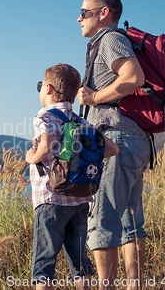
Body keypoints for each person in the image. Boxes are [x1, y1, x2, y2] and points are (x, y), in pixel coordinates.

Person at [76, 0, 151, 290]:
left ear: (103, 13)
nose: (78, 17)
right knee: (130, 224)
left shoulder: (110, 39)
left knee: (102, 222)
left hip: (115, 140)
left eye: (84, 11)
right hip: (132, 140)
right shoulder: (112, 41)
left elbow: (134, 77)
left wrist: (94, 96)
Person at [26, 63, 119, 290]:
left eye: (40, 85)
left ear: (47, 89)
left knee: (44, 265)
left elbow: (46, 144)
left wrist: (32, 157)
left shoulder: (44, 116)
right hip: (79, 199)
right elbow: (112, 148)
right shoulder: (81, 121)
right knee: (80, 262)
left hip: (50, 199)